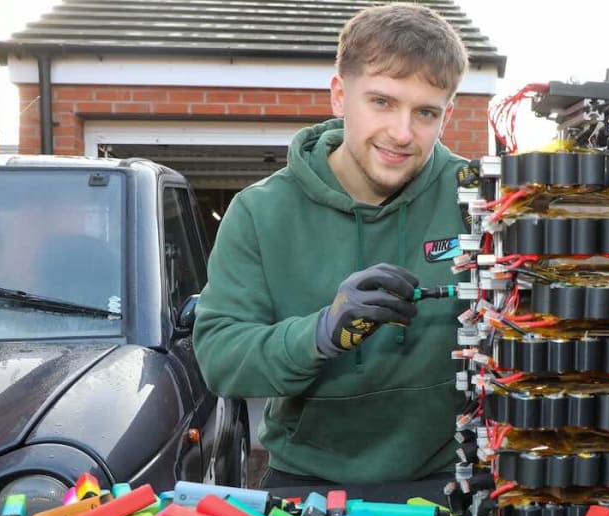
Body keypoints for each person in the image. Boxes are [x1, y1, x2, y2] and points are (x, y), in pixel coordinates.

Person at [193, 3, 472, 486]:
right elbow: (221, 358)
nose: (402, 134)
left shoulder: (479, 201)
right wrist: (320, 333)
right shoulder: (259, 213)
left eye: (425, 112)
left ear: (446, 115)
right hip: (307, 482)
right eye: (382, 102)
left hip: (448, 479)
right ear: (340, 96)